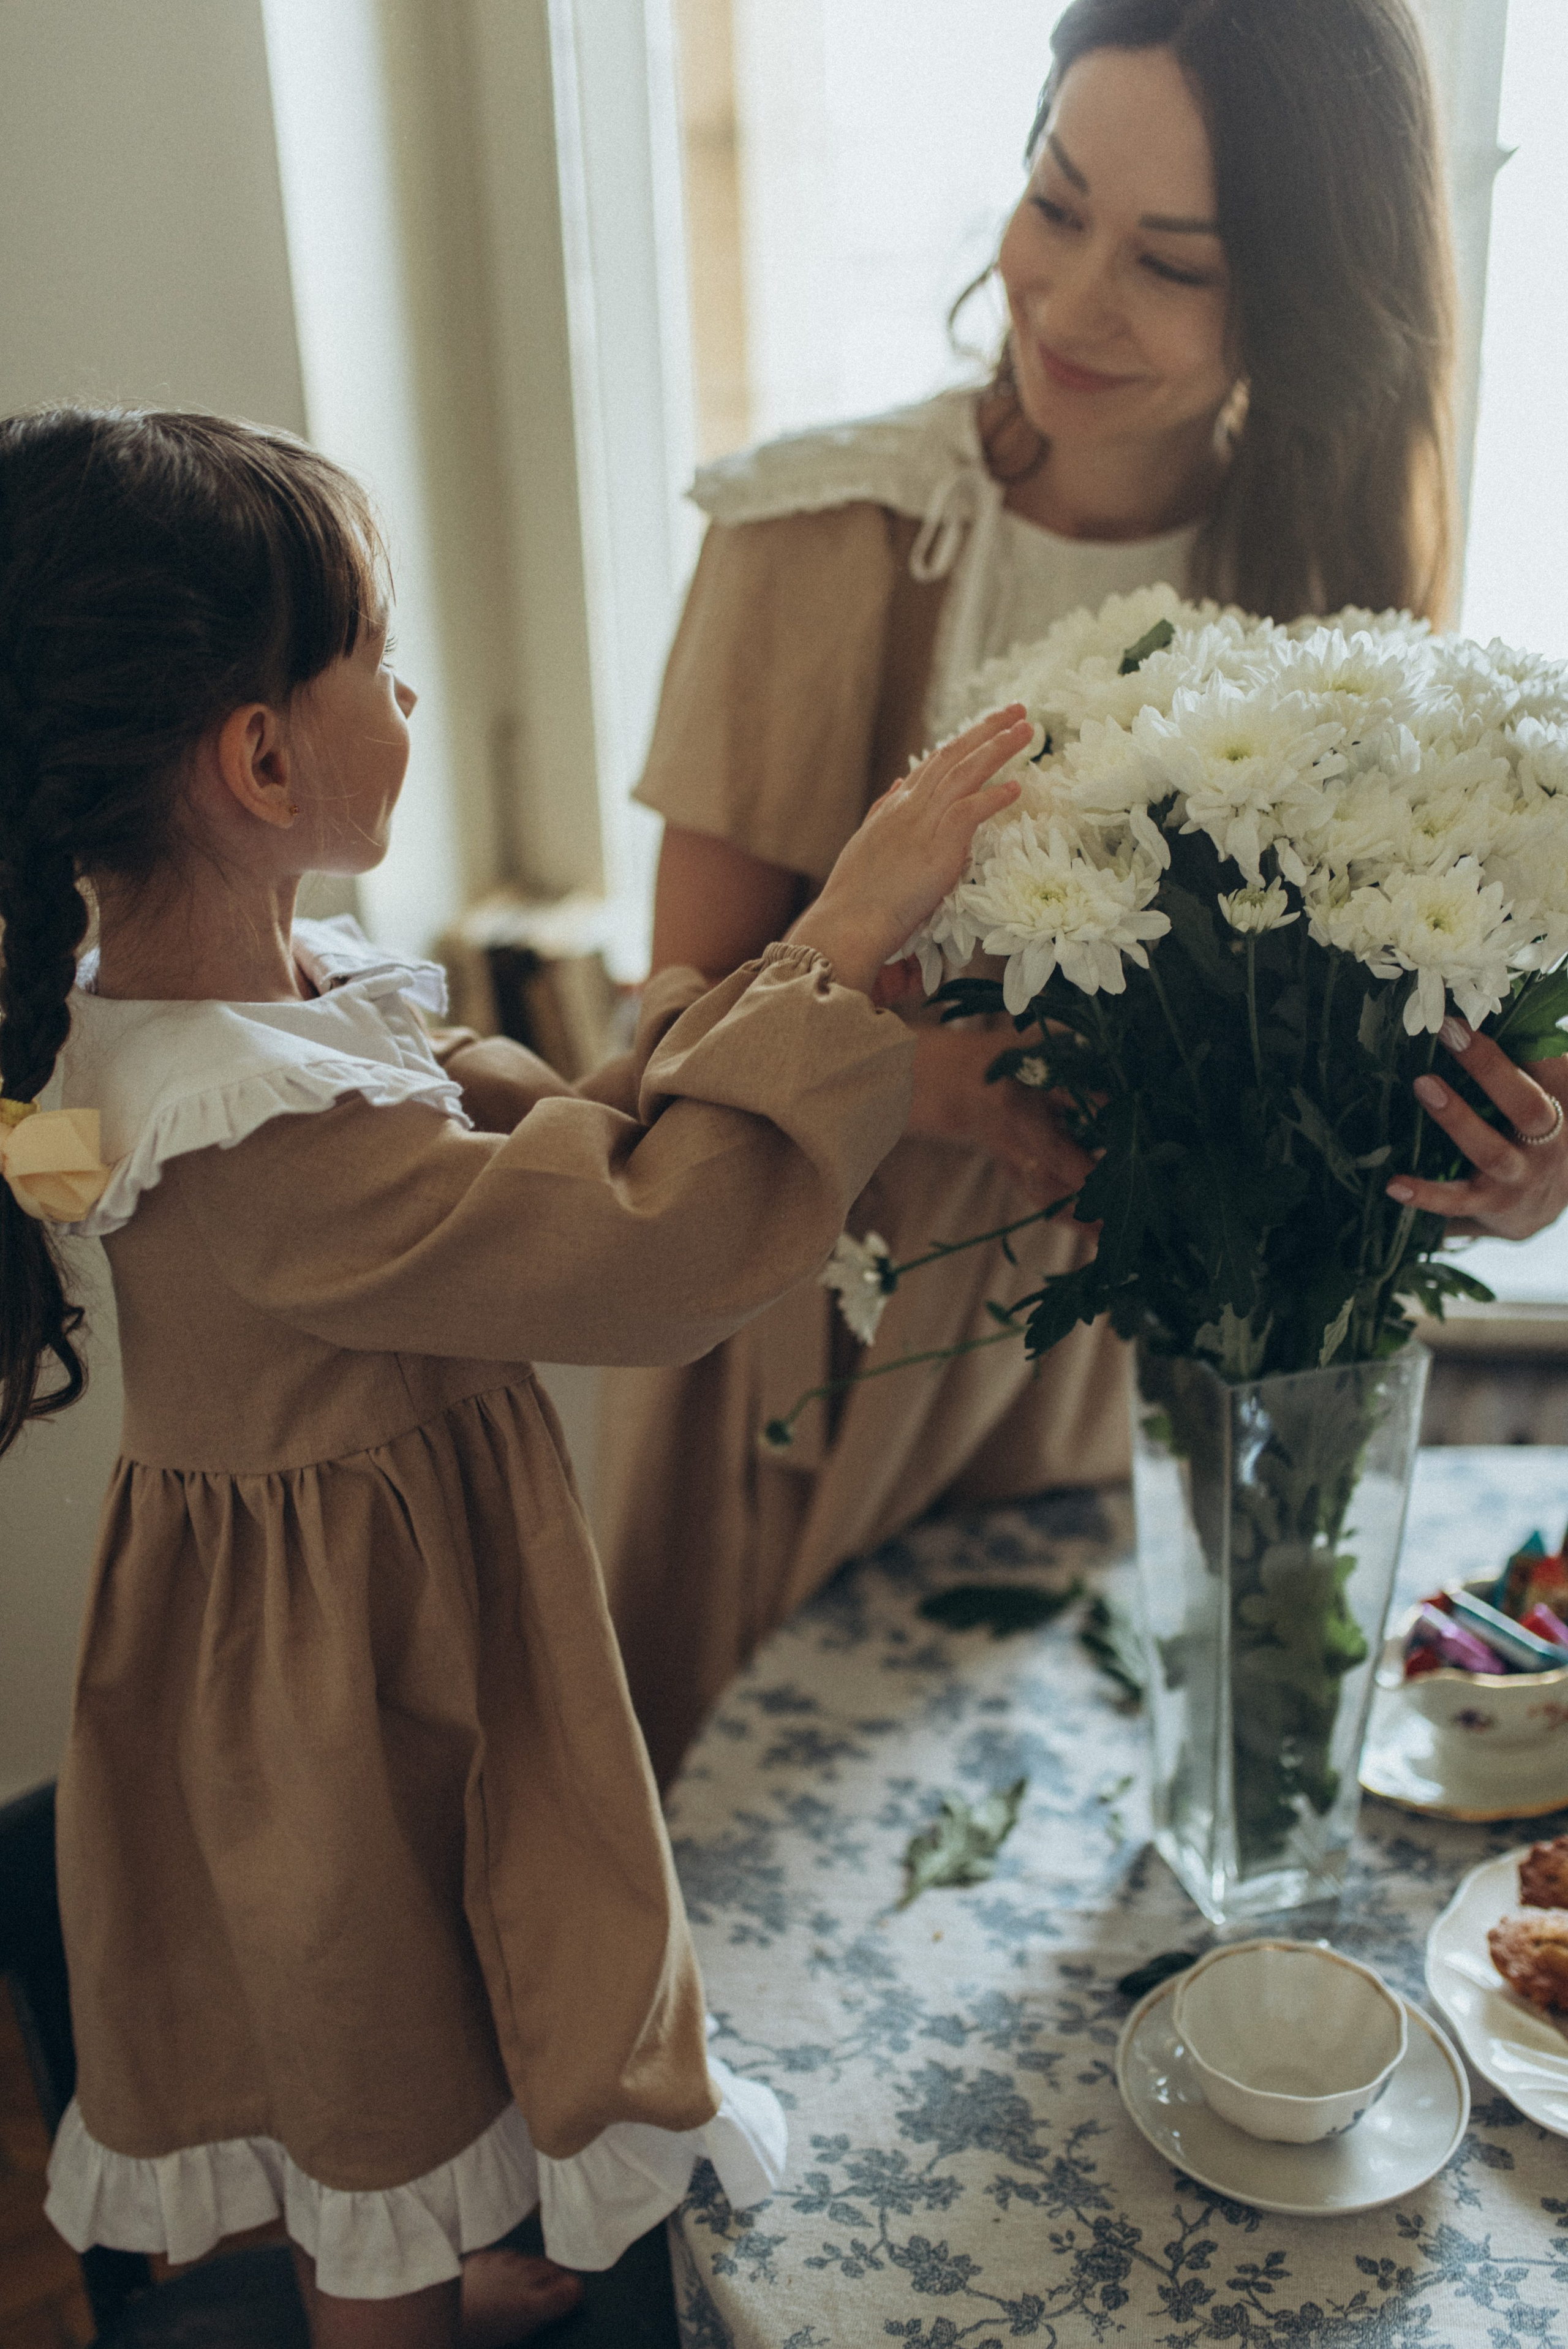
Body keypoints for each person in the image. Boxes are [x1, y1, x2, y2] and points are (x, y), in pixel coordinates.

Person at [0, 405, 1029, 2348]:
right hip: (319, 1700)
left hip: (390, 1629)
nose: (408, 690)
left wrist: (797, 979)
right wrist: (845, 934)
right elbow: (650, 1249)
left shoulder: (285, 1000)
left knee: (441, 1999)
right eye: (377, 658)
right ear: (262, 754)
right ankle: (393, 2291)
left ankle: (439, 2237)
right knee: (364, 2088)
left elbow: (572, 1146)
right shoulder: (248, 1128)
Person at [598, 0, 1559, 1787]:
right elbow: (666, 1028)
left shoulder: (1339, 557)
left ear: (1309, 293)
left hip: (1155, 1371)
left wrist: (1511, 1161)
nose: (1071, 298)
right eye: (1055, 203)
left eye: (1171, 263)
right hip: (829, 1349)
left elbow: (1388, 1012)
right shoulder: (822, 533)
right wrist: (942, 1081)